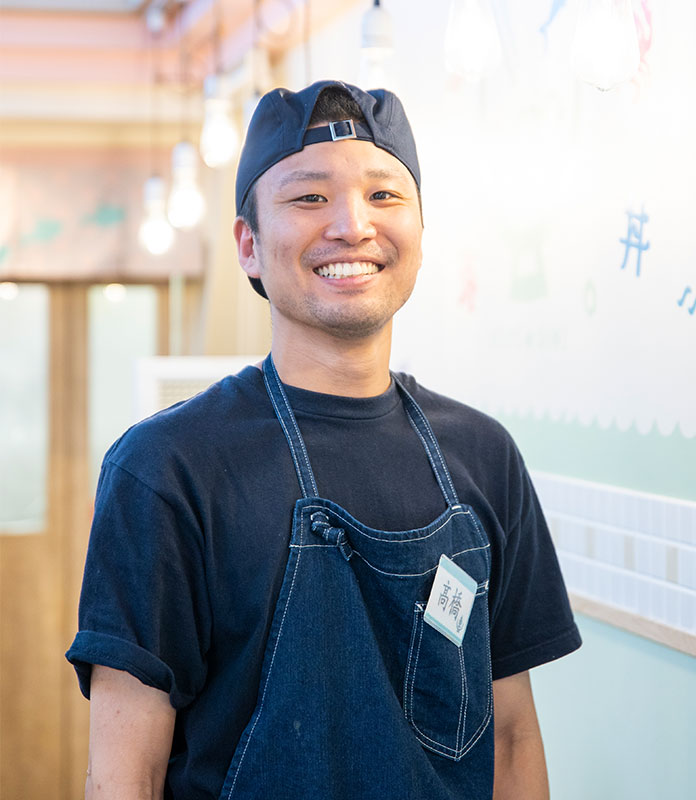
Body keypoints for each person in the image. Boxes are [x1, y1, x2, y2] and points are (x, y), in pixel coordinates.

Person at [67, 80, 581, 800]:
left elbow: (511, 736)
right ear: (248, 245)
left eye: (383, 196)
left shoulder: (484, 457)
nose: (351, 226)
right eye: (309, 198)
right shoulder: (166, 468)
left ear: (421, 235)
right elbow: (127, 773)